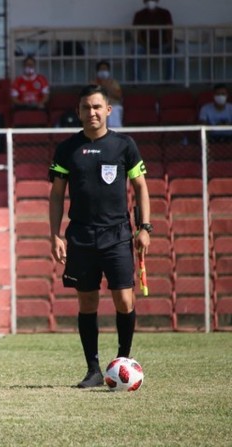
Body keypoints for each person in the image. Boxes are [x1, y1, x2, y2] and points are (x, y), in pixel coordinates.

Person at [48, 84, 151, 388]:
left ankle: (122, 362)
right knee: (87, 301)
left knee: (123, 299)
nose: (91, 112)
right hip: (80, 236)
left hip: (117, 234)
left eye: (96, 107)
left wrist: (144, 227)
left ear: (108, 110)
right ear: (78, 112)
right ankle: (93, 369)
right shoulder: (67, 149)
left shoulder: (124, 145)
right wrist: (55, 235)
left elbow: (141, 187)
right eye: (85, 108)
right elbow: (56, 196)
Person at [132, 0, 175, 81]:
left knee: (173, 51)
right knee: (135, 50)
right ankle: (137, 81)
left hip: (163, 45)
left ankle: (170, 80)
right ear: (144, 1)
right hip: (144, 46)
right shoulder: (139, 14)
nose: (150, 2)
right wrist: (145, 46)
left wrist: (171, 43)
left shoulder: (165, 13)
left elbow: (169, 30)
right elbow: (137, 34)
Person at [93, 60, 123, 128]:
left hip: (112, 106)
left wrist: (107, 86)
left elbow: (119, 96)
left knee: (113, 109)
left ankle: (115, 132)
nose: (103, 71)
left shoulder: (113, 83)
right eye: (101, 69)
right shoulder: (93, 83)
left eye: (105, 69)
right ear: (98, 71)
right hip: (98, 107)